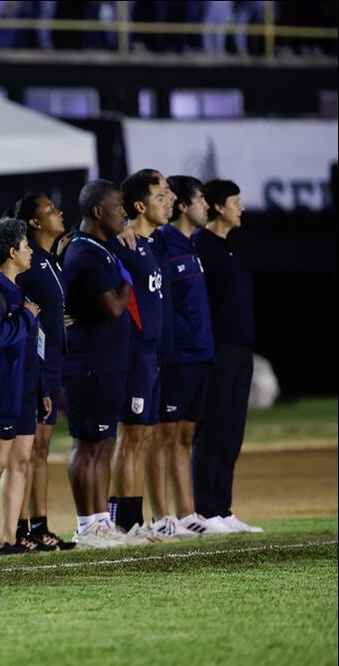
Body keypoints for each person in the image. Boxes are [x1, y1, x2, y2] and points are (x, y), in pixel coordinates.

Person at [59, 180, 139, 548]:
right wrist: (127, 281)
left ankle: (102, 521)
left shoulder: (100, 249)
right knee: (88, 445)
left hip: (108, 361)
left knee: (105, 442)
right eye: (119, 205)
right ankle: (87, 524)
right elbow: (114, 307)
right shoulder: (84, 253)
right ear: (97, 211)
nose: (124, 212)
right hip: (89, 362)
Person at [153, 177, 225, 536]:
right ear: (183, 205)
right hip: (177, 358)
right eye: (200, 200)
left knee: (184, 438)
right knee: (163, 438)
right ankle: (161, 516)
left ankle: (186, 514)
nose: (207, 207)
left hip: (200, 355)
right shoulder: (162, 243)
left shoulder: (190, 246)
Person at [192, 179, 262, 533]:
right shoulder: (201, 246)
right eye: (237, 201)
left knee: (232, 432)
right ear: (219, 206)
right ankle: (205, 511)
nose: (242, 208)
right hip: (216, 350)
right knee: (213, 430)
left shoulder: (228, 248)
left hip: (239, 350)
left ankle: (223, 507)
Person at [0, 217, 42, 556]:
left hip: (24, 389)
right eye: (27, 246)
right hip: (0, 389)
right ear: (13, 251)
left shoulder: (18, 291)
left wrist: (41, 386)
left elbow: (31, 346)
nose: (31, 251)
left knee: (20, 463)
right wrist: (27, 317)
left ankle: (12, 538)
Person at [109, 170, 170, 537]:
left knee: (144, 437)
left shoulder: (149, 244)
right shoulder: (124, 244)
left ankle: (134, 517)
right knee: (129, 437)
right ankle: (122, 520)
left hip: (152, 354)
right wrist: (119, 228)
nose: (168, 201)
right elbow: (76, 242)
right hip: (132, 352)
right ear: (139, 205)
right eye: (160, 195)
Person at [12, 194, 74, 551]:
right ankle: (20, 527)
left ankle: (40, 525)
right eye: (50, 210)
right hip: (34, 366)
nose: (59, 212)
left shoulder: (50, 260)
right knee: (29, 449)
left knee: (41, 449)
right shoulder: (30, 262)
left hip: (52, 363)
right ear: (34, 223)